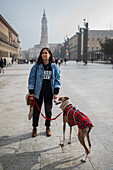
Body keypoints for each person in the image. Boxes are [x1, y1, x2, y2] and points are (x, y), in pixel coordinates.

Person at [28, 47, 61, 137]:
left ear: (50, 55)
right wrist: (31, 92)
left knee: (48, 111)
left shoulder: (53, 67)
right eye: (43, 53)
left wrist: (56, 92)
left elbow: (57, 79)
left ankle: (47, 127)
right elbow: (31, 78)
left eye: (46, 53)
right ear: (41, 55)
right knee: (36, 111)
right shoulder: (37, 66)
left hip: (49, 93)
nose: (44, 54)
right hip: (38, 92)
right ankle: (34, 127)